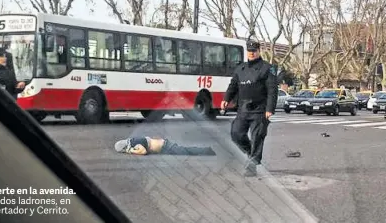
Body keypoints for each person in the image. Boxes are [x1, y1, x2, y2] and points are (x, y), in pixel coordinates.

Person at [221, 40, 278, 177]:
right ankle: (251, 153)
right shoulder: (240, 68)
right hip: (243, 109)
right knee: (236, 134)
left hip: (260, 109)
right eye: (249, 51)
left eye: (254, 51)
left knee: (257, 137)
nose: (251, 53)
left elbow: (272, 90)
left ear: (259, 51)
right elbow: (233, 86)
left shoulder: (267, 68)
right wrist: (226, 99)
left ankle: (252, 166)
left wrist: (269, 109)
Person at [114, 136, 216, 156]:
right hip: (164, 146)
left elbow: (143, 151)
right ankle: (207, 150)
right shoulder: (133, 140)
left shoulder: (134, 144)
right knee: (186, 150)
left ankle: (208, 151)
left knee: (187, 151)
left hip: (166, 146)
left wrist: (130, 151)